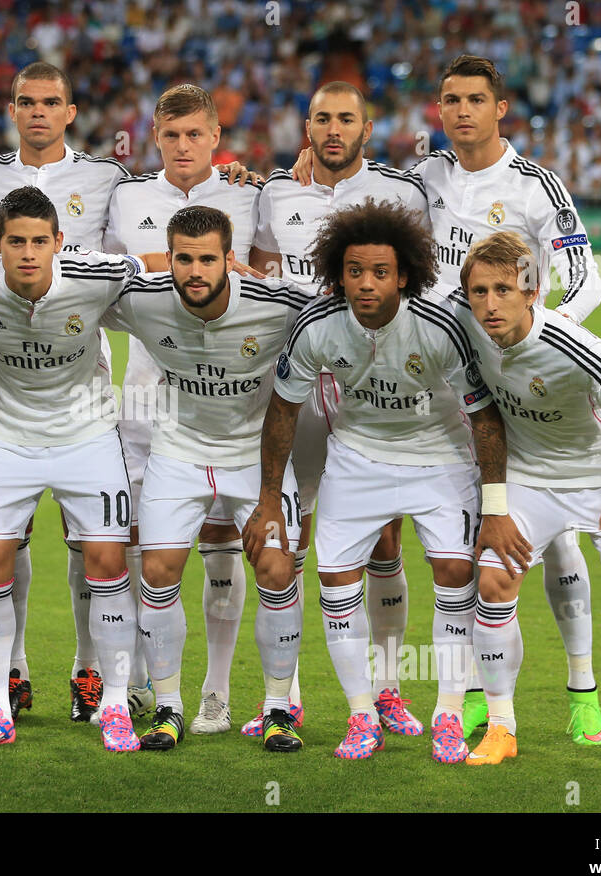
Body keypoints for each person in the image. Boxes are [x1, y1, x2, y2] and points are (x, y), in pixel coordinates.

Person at [295, 54, 601, 745]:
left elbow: (587, 280)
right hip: (430, 378)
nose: (461, 110)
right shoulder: (424, 176)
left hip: (506, 379)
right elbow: (361, 204)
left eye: (475, 99)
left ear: (501, 108)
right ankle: (467, 698)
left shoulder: (537, 186)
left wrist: (533, 340)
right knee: (462, 545)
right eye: (449, 100)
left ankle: (582, 689)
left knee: (548, 540)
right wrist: (296, 169)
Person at [244, 199, 520, 762]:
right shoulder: (317, 326)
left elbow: (485, 417)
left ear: (404, 275)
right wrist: (270, 498)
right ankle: (361, 715)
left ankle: (446, 712)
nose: (366, 284)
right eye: (354, 272)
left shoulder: (440, 326)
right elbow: (283, 409)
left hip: (439, 458)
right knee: (336, 580)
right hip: (357, 458)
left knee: (454, 571)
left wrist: (495, 506)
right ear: (336, 273)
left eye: (379, 273)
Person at [0, 186, 148, 752]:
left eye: (41, 241)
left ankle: (115, 704)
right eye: (16, 241)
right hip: (6, 439)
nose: (28, 253)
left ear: (59, 243)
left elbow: (159, 267)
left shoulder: (97, 276)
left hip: (87, 437)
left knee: (108, 560)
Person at [245, 80, 432, 739]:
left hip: (369, 388)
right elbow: (259, 272)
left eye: (345, 119)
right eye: (321, 117)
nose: (332, 129)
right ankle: (285, 696)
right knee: (288, 538)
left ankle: (386, 691)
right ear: (306, 124)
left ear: (367, 127)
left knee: (384, 538)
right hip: (294, 383)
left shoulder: (403, 193)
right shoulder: (274, 192)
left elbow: (421, 281)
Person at [450, 231, 601, 771]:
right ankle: (502, 725)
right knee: (494, 583)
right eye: (478, 292)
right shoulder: (467, 327)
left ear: (532, 292)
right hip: (529, 478)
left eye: (503, 290)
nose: (489, 304)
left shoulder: (571, 346)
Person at [101, 206, 313, 752]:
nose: (195, 271)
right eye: (184, 259)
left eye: (208, 259)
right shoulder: (143, 299)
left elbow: (341, 309)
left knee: (276, 568)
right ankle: (169, 707)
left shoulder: (276, 303)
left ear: (230, 260)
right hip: (178, 454)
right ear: (168, 258)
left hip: (255, 457)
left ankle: (277, 709)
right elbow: (74, 286)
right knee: (158, 568)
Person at [0, 62, 131, 723]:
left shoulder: (108, 179)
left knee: (87, 536)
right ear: (12, 108)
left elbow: (149, 233)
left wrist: (238, 179)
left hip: (81, 372)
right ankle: (14, 669)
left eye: (50, 102)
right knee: (9, 532)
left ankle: (89, 668)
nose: (37, 112)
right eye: (26, 101)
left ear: (70, 111)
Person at [104, 83, 261, 734]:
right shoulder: (127, 198)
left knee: (224, 551)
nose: (184, 147)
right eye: (171, 135)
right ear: (154, 139)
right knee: (146, 552)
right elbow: (108, 288)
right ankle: (147, 684)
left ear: (216, 137)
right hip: (145, 395)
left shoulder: (252, 195)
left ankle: (217, 695)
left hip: (229, 401)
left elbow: (266, 276)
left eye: (196, 134)